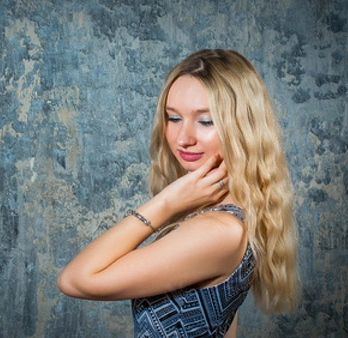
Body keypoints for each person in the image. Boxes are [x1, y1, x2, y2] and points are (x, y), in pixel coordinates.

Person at [57, 49, 300, 337]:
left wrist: (166, 202)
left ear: (243, 128)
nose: (184, 138)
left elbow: (75, 280)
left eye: (206, 121)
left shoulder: (217, 230)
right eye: (173, 118)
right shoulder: (222, 216)